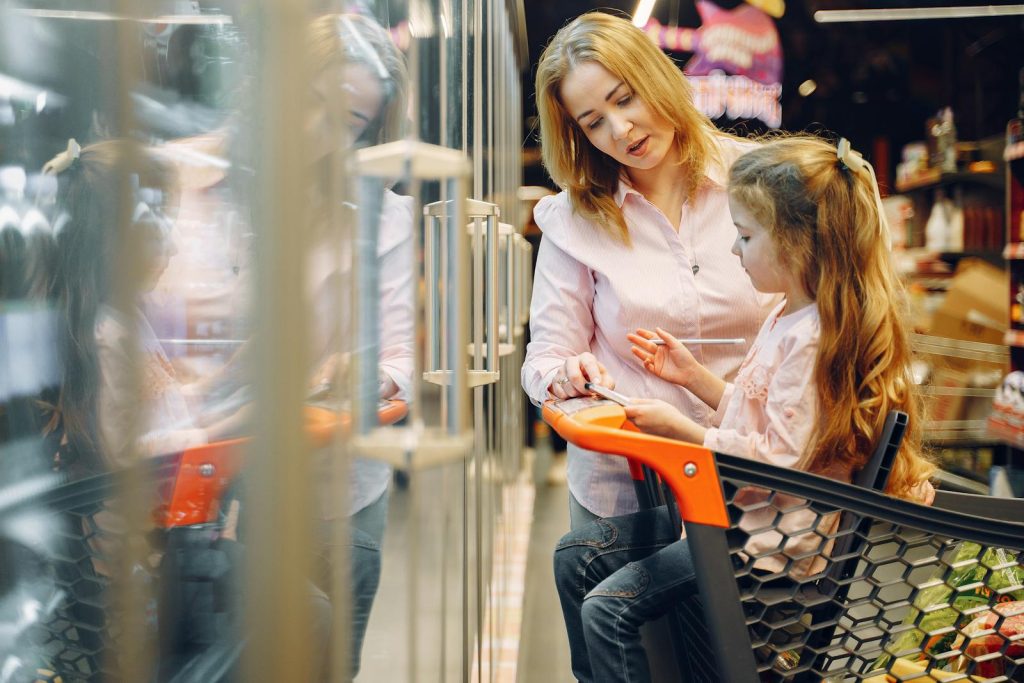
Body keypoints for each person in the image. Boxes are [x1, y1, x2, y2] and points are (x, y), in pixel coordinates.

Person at [553, 134, 937, 683]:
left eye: (746, 235)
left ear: (801, 244)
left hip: (765, 544)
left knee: (607, 608)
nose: (734, 251)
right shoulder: (789, 317)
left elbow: (779, 461)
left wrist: (685, 431)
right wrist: (697, 379)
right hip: (745, 520)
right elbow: (768, 415)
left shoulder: (812, 339)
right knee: (576, 558)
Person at [521, 11, 779, 529]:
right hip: (627, 494)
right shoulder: (575, 220)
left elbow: (823, 324)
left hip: (762, 483)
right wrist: (570, 375)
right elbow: (544, 360)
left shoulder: (760, 182)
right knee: (614, 605)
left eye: (624, 98)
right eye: (593, 121)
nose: (620, 129)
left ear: (656, 78)